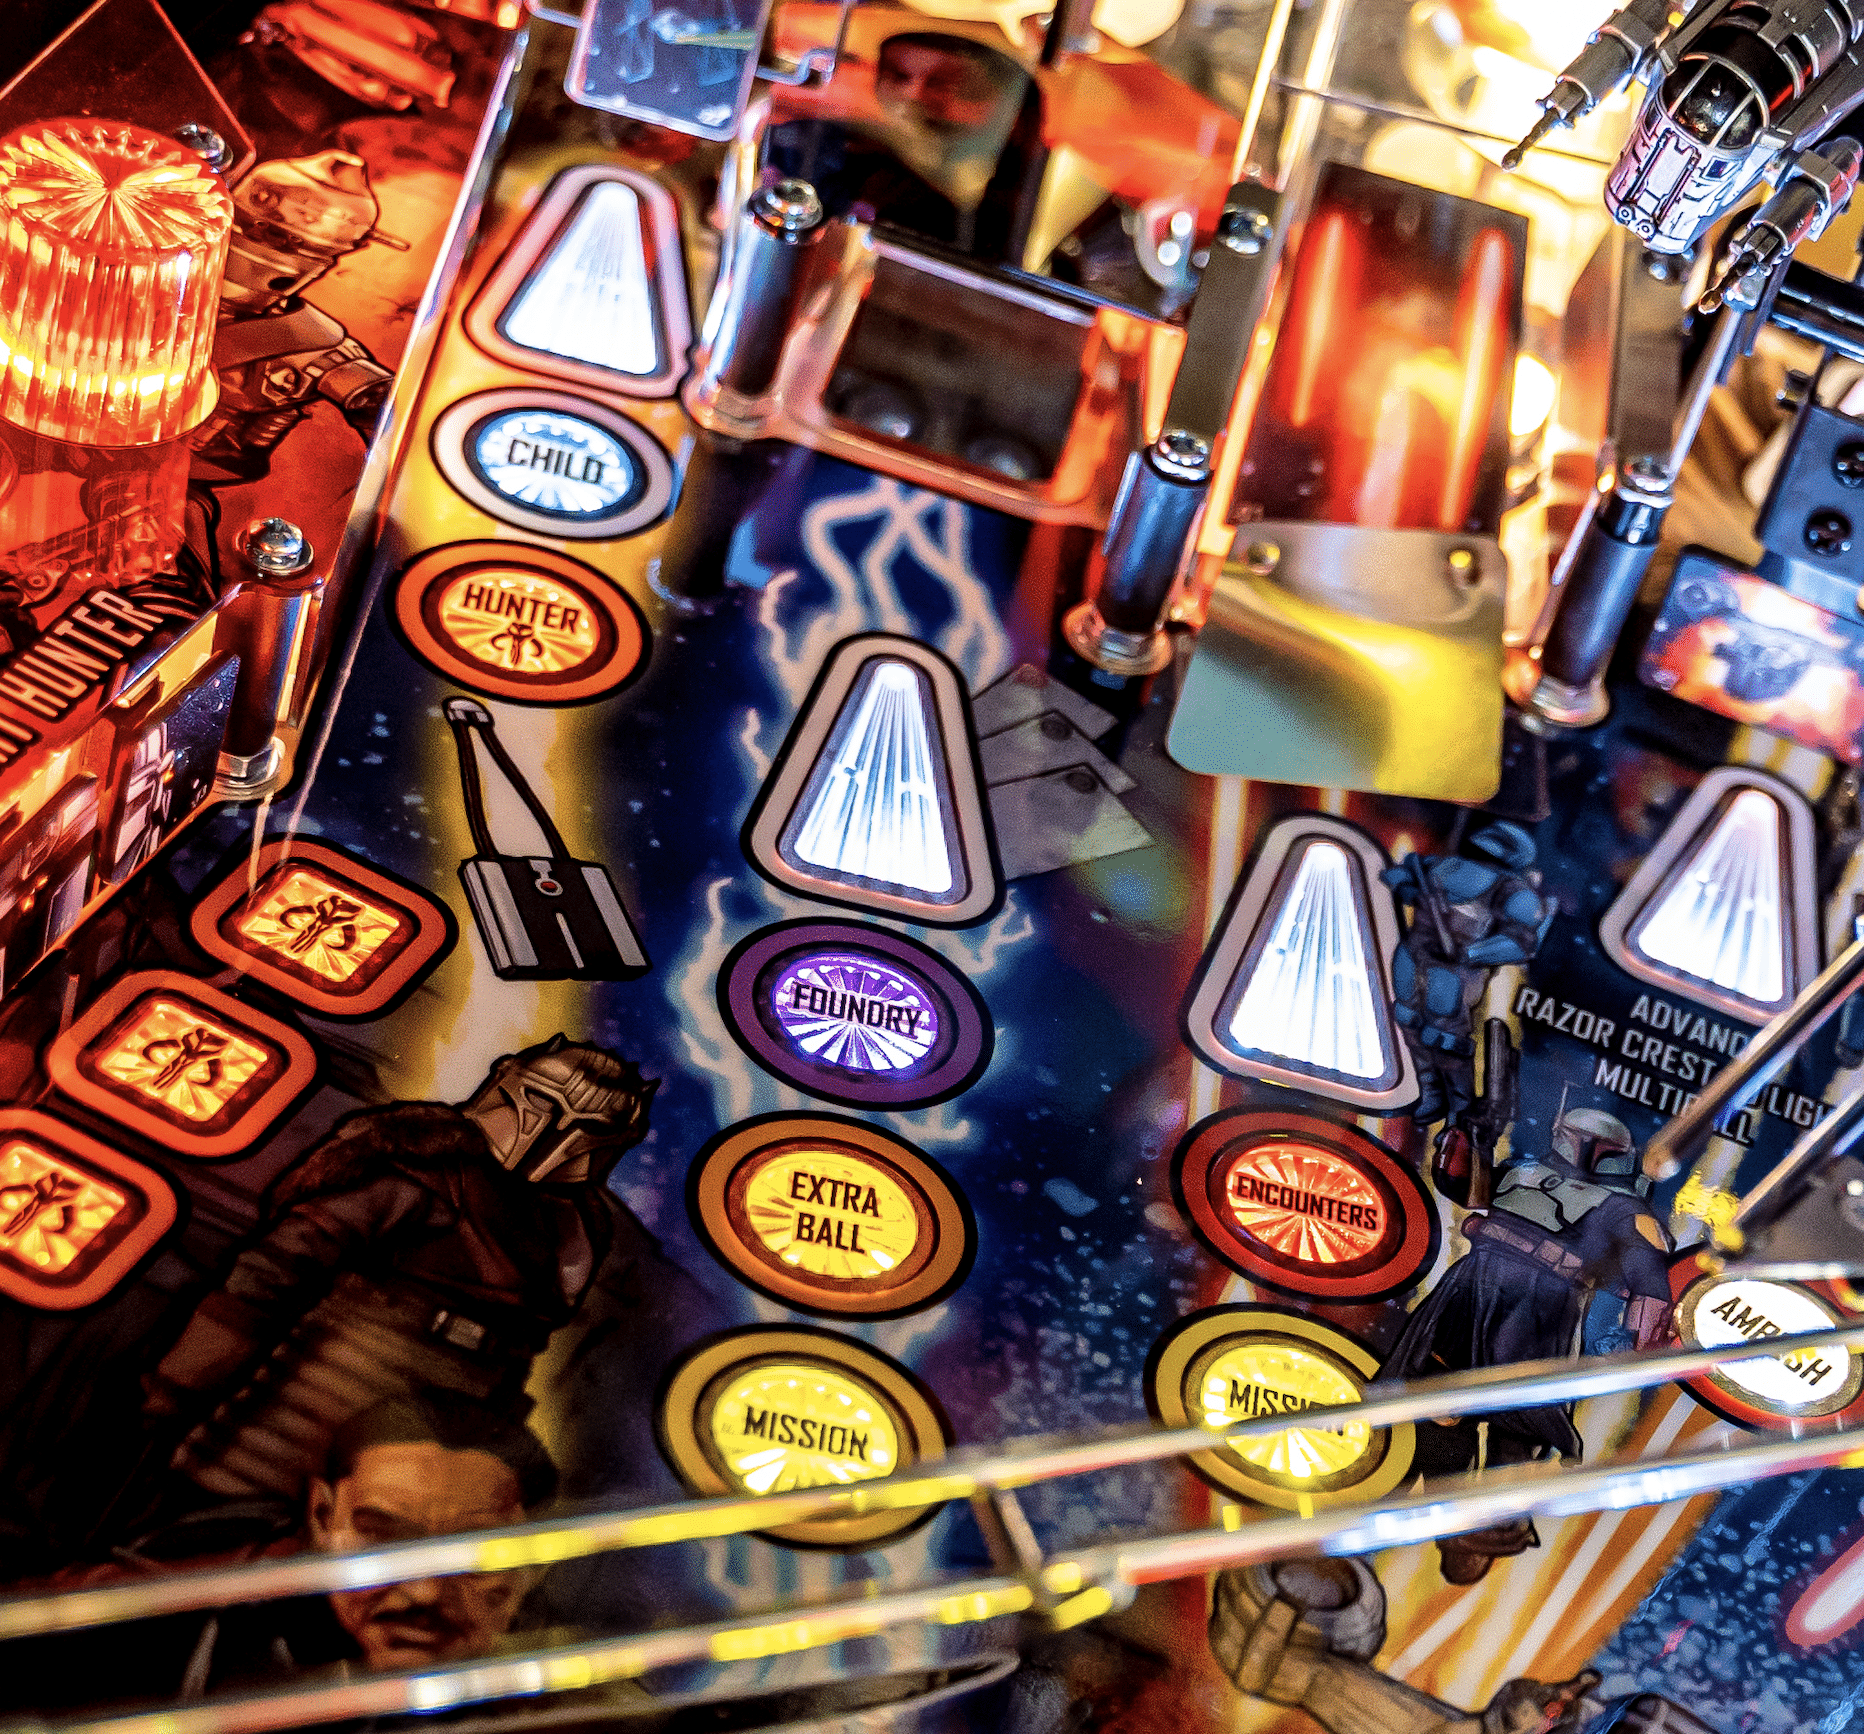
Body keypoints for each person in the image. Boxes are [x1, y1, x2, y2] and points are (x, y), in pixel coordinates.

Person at [142, 1038, 672, 1509]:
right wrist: (177, 1385)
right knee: (225, 1511)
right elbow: (272, 1273)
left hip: (438, 1437)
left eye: (588, 1127)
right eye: (543, 1102)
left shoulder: (580, 1225)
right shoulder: (427, 1168)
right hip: (323, 1392)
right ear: (509, 1079)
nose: (554, 1131)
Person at [20, 1392, 555, 1709]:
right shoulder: (154, 1617)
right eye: (382, 1537)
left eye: (478, 1554)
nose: (424, 1589)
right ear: (322, 1519)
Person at [1381, 1105, 1674, 1583]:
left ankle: (1483, 1535)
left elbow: (1651, 1283)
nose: (1585, 1151)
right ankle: (1398, 1506)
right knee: (1432, 1410)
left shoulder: (1626, 1211)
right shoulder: (1522, 1172)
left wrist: (1638, 1343)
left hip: (1542, 1312)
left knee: (1519, 1432)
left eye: (1599, 1147)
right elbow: (1465, 1189)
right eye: (1580, 1138)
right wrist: (1471, 1136)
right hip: (1473, 1291)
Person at [762, 31, 1041, 260]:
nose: (910, 96)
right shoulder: (809, 140)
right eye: (897, 75)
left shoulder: (966, 229)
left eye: (947, 84)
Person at [1383, 822, 1557, 1126]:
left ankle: (1459, 1109)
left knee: (1444, 1035)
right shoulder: (1443, 867)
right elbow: (1405, 882)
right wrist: (1402, 883)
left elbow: (1522, 942)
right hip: (1416, 952)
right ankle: (1430, 1092)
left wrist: (1472, 954)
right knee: (1407, 1018)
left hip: (1454, 969)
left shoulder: (1511, 892)